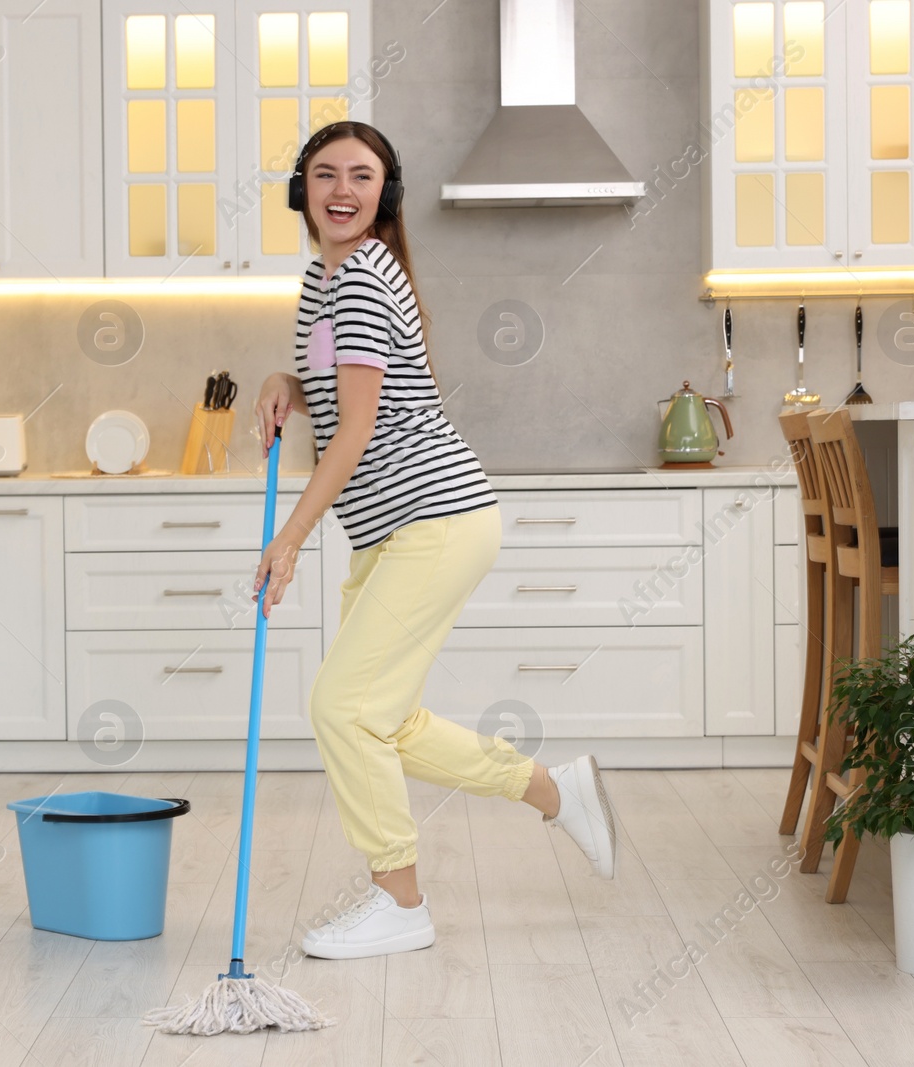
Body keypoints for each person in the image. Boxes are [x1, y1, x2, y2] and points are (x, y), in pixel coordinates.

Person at [251, 121, 617, 962]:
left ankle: (400, 901)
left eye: (363, 175)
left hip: (435, 518)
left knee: (343, 708)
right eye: (326, 173)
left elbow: (360, 430)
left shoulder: (363, 280)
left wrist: (290, 538)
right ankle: (554, 790)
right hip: (394, 529)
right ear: (300, 188)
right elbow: (343, 395)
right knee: (387, 718)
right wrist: (285, 381)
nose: (343, 189)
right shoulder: (325, 279)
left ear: (387, 192)